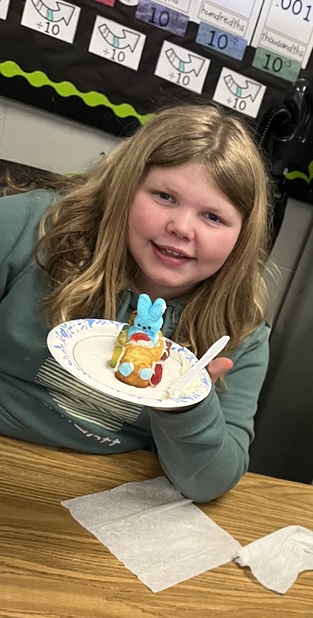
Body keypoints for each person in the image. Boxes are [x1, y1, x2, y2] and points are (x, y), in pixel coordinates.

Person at [0, 103, 273, 502]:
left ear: (241, 238)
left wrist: (190, 407)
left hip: (99, 496)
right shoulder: (32, 227)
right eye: (164, 196)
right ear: (125, 188)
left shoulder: (240, 330)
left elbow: (209, 483)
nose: (180, 228)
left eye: (213, 217)